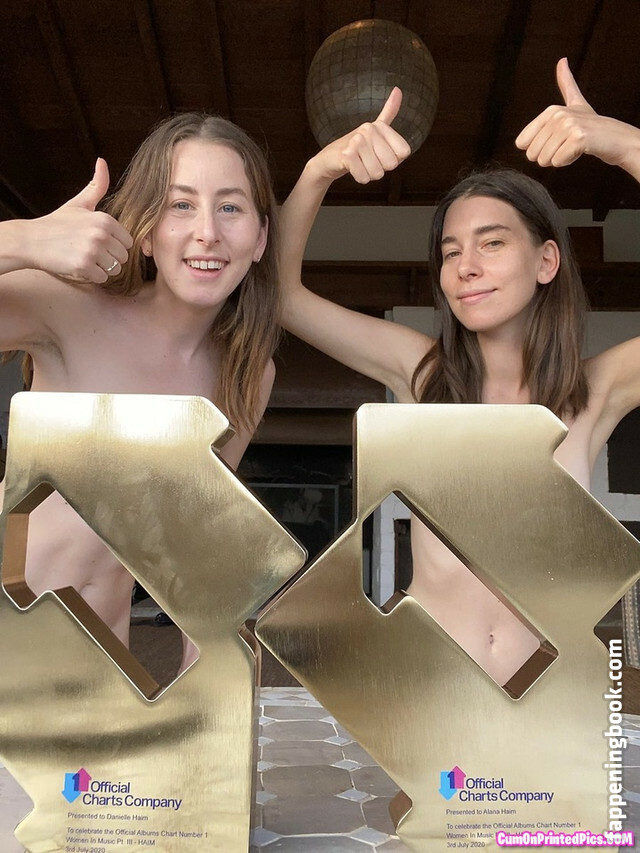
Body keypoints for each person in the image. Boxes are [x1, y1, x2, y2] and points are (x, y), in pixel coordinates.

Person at [279, 58, 640, 687]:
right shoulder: (425, 376)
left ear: (547, 261)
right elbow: (282, 297)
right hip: (433, 698)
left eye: (492, 243)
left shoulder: (595, 392)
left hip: (544, 703)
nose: (466, 266)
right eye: (451, 252)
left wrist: (625, 145)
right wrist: (318, 172)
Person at [0, 113, 280, 671]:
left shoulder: (246, 373)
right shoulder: (69, 306)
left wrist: (205, 688)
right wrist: (25, 240)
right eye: (181, 205)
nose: (208, 232)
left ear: (260, 239)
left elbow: (197, 546)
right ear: (147, 233)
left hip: (98, 673)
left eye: (230, 207)